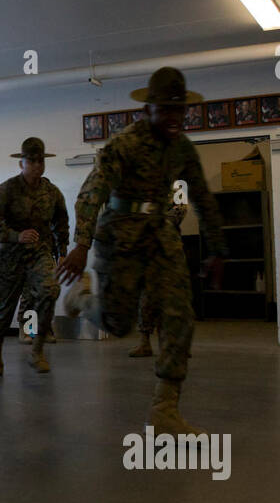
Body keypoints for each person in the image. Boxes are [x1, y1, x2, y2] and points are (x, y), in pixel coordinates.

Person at [58, 67, 227, 435]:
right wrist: (81, 243)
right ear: (148, 108)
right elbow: (92, 192)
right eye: (166, 109)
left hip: (160, 234)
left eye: (179, 110)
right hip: (120, 235)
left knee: (179, 314)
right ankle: (83, 298)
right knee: (119, 324)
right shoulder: (125, 144)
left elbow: (202, 197)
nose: (173, 118)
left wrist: (217, 248)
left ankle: (165, 409)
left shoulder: (182, 147)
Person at [0, 138, 69, 375]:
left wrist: (62, 253)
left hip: (40, 253)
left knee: (49, 290)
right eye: (31, 161)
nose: (37, 165)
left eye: (40, 161)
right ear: (21, 163)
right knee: (5, 308)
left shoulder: (51, 192)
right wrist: (14, 236)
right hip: (11, 256)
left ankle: (37, 349)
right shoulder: (7, 189)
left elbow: (61, 223)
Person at [129, 203, 189, 358]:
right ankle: (144, 343)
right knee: (146, 300)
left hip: (169, 255)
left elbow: (179, 213)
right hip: (148, 255)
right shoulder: (142, 193)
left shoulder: (177, 188)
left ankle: (176, 344)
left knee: (173, 302)